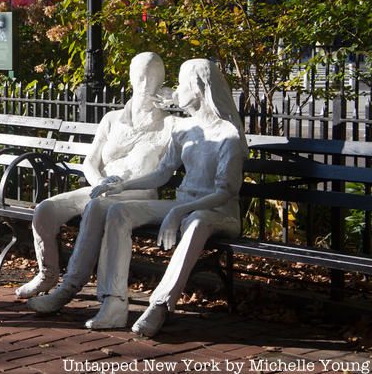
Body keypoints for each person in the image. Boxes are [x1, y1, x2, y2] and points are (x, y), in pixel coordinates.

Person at [86, 59, 247, 336]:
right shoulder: (184, 129)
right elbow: (162, 174)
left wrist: (177, 213)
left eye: (181, 84)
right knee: (118, 212)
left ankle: (159, 305)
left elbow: (225, 192)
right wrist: (122, 186)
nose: (174, 89)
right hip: (184, 206)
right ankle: (113, 302)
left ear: (197, 89)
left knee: (197, 221)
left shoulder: (228, 134)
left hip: (220, 213)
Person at [20, 53, 175, 310]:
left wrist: (178, 101)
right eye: (140, 75)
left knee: (96, 207)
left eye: (153, 77)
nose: (145, 83)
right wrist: (100, 183)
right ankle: (47, 274)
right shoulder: (113, 119)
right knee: (46, 209)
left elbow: (209, 123)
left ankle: (69, 287)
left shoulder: (169, 125)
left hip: (138, 194)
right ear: (131, 77)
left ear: (162, 81)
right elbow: (89, 161)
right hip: (101, 187)